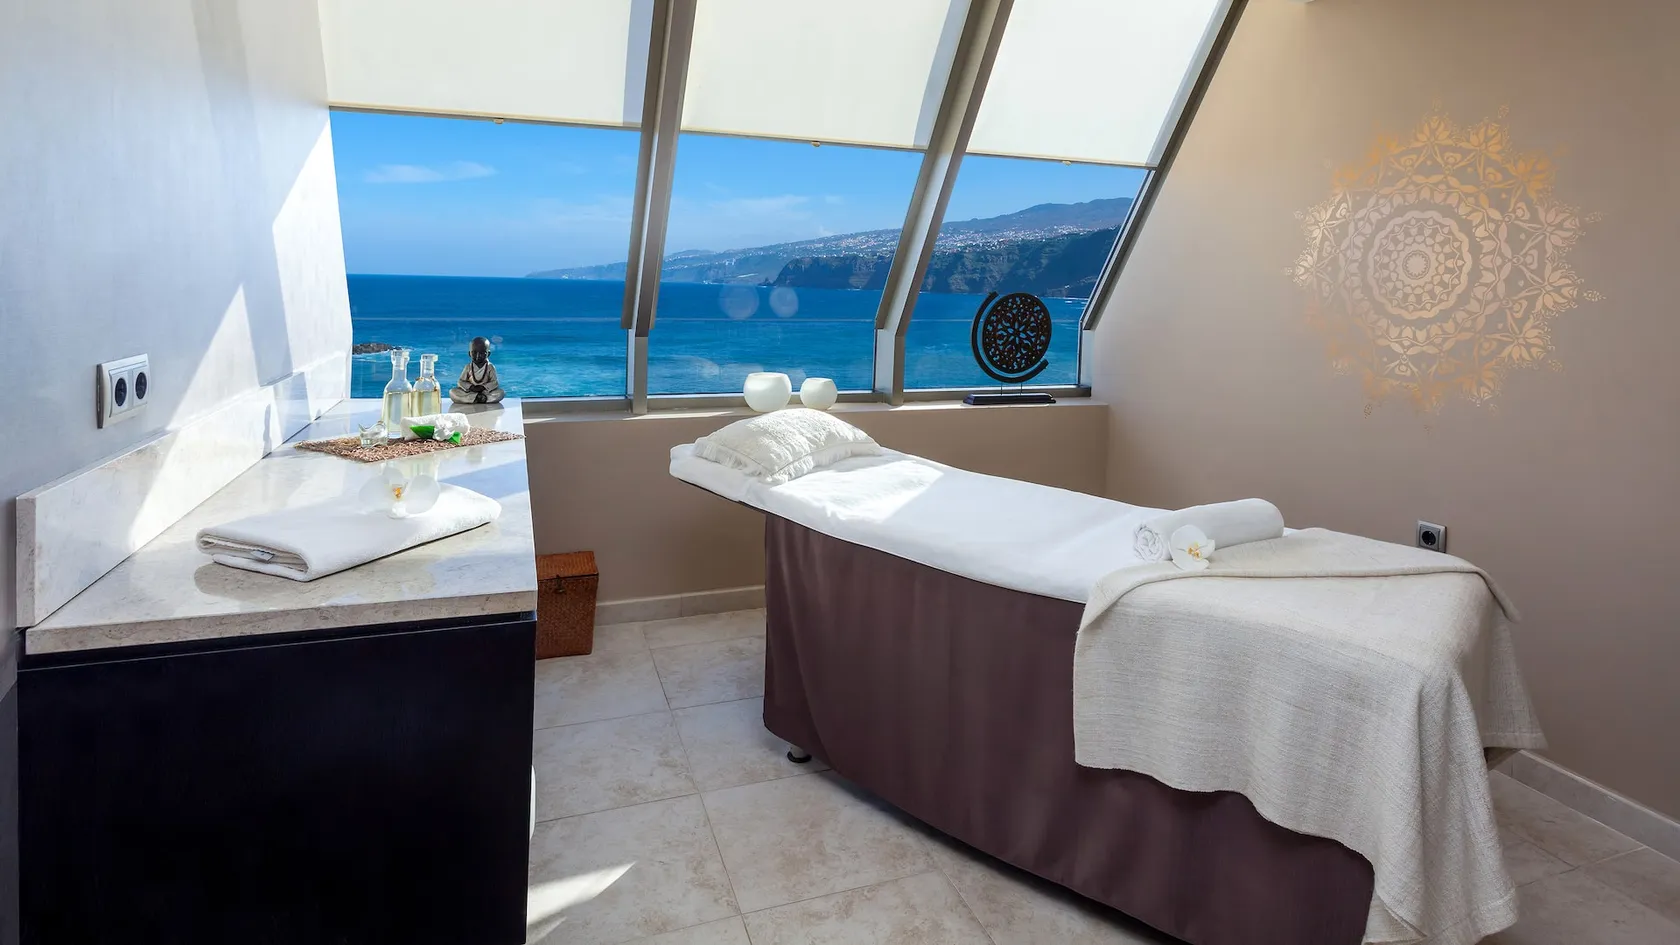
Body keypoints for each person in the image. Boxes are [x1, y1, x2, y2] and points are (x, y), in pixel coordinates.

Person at [450, 336, 504, 404]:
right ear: (469, 354)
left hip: (485, 391)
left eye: (482, 353)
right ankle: (478, 397)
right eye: (474, 353)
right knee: (453, 392)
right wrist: (471, 387)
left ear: (488, 354)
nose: (478, 356)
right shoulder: (468, 367)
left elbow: (494, 382)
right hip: (471, 391)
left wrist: (483, 387)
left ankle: (476, 398)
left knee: (500, 393)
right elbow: (461, 382)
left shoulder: (490, 367)